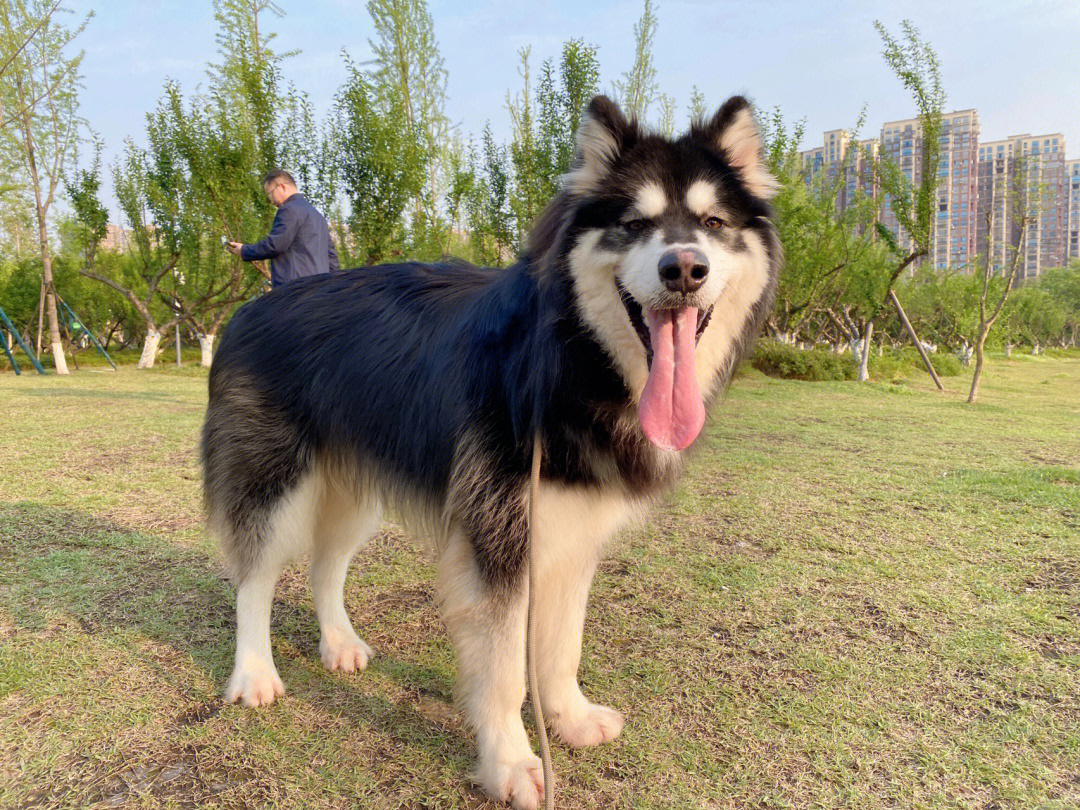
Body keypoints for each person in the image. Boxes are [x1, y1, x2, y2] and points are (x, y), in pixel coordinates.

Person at [226, 169, 339, 287]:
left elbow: (275, 245)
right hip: (319, 290)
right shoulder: (317, 215)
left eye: (270, 194)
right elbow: (332, 257)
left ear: (281, 187)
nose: (271, 201)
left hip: (295, 290)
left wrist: (244, 250)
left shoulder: (289, 210)